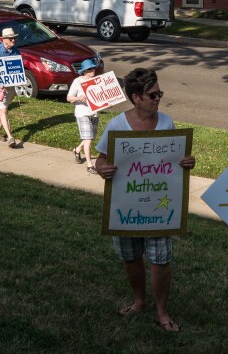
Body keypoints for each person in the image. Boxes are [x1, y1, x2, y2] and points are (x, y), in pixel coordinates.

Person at [95, 67, 195, 333]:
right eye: (153, 95)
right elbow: (101, 158)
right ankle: (139, 301)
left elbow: (177, 161)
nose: (158, 98)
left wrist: (187, 161)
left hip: (159, 206)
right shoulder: (117, 125)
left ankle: (162, 311)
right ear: (136, 97)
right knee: (131, 257)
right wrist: (101, 167)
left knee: (161, 259)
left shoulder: (167, 122)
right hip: (127, 206)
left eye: (159, 93)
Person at [67, 58, 99, 173]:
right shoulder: (78, 81)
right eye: (89, 69)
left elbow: (99, 98)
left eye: (93, 68)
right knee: (89, 139)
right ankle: (90, 165)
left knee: (90, 137)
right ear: (84, 71)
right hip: (82, 113)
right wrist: (77, 98)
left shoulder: (96, 81)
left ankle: (77, 150)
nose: (92, 71)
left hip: (94, 113)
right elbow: (69, 97)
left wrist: (107, 103)